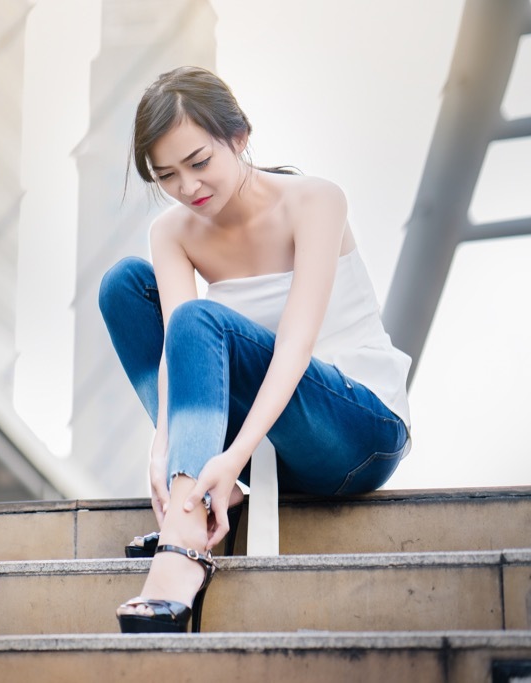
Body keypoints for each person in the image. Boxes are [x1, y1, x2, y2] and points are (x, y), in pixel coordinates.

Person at [98, 66, 412, 634]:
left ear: (239, 138)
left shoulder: (314, 200)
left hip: (357, 431)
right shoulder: (173, 233)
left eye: (199, 163)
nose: (188, 188)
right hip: (272, 449)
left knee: (202, 318)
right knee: (123, 285)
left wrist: (234, 455)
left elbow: (295, 345)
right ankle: (195, 498)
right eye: (166, 175)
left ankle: (183, 550)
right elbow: (177, 352)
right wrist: (164, 450)